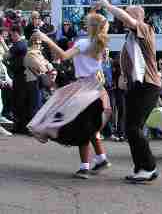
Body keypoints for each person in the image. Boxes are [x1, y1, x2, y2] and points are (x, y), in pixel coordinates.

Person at [27, 13, 112, 179]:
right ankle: (101, 158)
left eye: (87, 23)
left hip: (85, 88)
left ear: (91, 27)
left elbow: (64, 56)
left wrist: (47, 39)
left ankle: (84, 167)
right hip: (97, 89)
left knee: (83, 125)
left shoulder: (84, 42)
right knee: (90, 125)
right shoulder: (99, 42)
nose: (84, 25)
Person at [97, 0, 162, 183]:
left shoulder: (146, 29)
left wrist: (108, 6)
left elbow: (128, 20)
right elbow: (128, 61)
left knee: (134, 127)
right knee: (130, 128)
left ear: (136, 17)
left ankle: (149, 168)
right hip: (136, 86)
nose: (123, 17)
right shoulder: (130, 38)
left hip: (149, 85)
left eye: (128, 13)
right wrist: (123, 76)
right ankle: (140, 168)